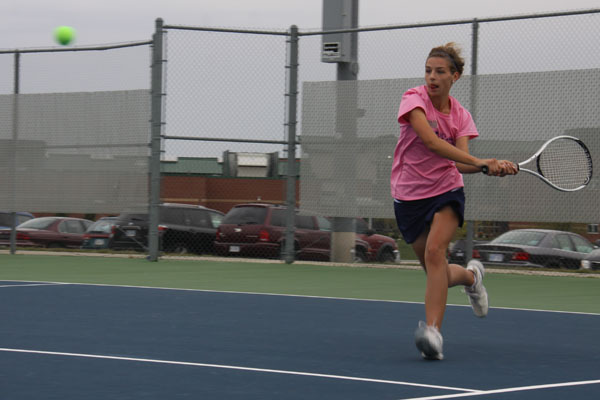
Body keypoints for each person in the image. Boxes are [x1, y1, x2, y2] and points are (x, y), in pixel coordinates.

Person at [390, 43, 518, 360]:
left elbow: (459, 164)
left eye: (440, 72)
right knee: (438, 273)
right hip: (408, 195)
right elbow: (432, 142)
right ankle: (473, 278)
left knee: (436, 252)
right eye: (428, 70)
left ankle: (432, 334)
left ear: (455, 76)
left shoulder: (461, 116)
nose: (432, 77)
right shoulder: (413, 99)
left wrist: (488, 167)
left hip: (447, 190)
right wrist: (483, 161)